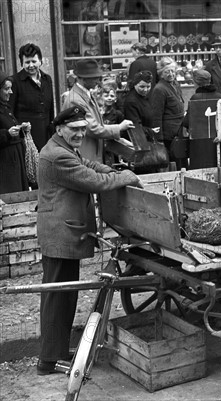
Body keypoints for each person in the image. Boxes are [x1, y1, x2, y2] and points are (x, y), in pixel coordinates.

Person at [35, 106, 143, 375]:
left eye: (83, 129)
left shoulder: (62, 147)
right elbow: (93, 181)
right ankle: (48, 360)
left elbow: (88, 165)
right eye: (75, 129)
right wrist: (125, 176)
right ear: (60, 128)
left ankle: (57, 350)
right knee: (57, 297)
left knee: (64, 293)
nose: (80, 134)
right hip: (61, 233)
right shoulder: (57, 155)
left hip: (62, 232)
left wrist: (109, 169)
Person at [62, 59, 134, 163]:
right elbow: (92, 129)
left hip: (90, 151)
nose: (98, 81)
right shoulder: (75, 100)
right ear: (83, 78)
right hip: (85, 153)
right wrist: (119, 128)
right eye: (94, 77)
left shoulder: (85, 94)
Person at [8, 43, 54, 152]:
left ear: (40, 61)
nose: (31, 65)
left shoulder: (47, 79)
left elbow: (51, 108)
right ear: (21, 64)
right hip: (26, 137)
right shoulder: (15, 81)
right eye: (27, 62)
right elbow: (10, 111)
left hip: (46, 134)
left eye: (34, 61)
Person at [151, 57, 185, 167]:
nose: (171, 74)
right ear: (161, 73)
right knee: (171, 163)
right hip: (168, 135)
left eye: (173, 71)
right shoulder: (159, 89)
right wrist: (159, 140)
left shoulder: (175, 84)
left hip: (178, 131)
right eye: (167, 72)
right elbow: (157, 115)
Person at [0, 71, 29, 194]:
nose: (11, 92)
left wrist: (22, 130)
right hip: (5, 164)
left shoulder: (5, 107)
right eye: (7, 89)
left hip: (15, 160)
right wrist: (7, 133)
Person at [123, 70, 160, 141]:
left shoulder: (142, 97)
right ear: (135, 85)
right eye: (142, 87)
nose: (145, 90)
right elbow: (135, 126)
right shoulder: (131, 101)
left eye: (148, 87)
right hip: (139, 140)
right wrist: (150, 131)